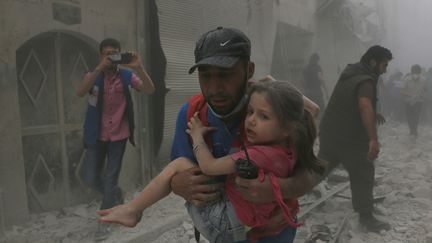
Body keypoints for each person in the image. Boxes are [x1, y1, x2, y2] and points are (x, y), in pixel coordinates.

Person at [97, 80, 324, 243]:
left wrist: (197, 135)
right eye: (251, 112)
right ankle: (132, 210)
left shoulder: (259, 154)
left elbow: (208, 167)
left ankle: (133, 209)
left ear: (288, 126)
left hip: (226, 227)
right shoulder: (291, 142)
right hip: (248, 222)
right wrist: (273, 86)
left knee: (178, 164)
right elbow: (313, 109)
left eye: (263, 116)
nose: (251, 121)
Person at [76, 38, 155, 240]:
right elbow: (80, 92)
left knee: (110, 178)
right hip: (96, 135)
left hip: (119, 136)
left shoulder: (127, 76)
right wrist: (99, 68)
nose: (110, 57)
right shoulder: (92, 76)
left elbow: (150, 89)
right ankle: (115, 194)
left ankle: (106, 221)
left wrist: (139, 67)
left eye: (114, 53)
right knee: (91, 177)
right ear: (101, 56)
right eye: (106, 53)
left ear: (120, 56)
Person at [316, 45, 393, 233]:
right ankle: (366, 217)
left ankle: (283, 194)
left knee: (319, 169)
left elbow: (352, 102)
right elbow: (364, 105)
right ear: (373, 62)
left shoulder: (351, 73)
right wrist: (373, 139)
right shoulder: (366, 80)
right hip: (349, 138)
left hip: (331, 131)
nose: (385, 69)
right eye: (384, 65)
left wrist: (374, 113)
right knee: (363, 171)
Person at [401, 64, 427, 137]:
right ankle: (412, 130)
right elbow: (402, 91)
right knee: (410, 116)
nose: (416, 75)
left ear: (420, 73)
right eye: (415, 72)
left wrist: (422, 94)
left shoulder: (423, 80)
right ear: (412, 72)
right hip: (408, 101)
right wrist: (410, 95)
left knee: (416, 116)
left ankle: (414, 130)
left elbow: (425, 89)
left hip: (419, 101)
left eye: (417, 73)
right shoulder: (406, 79)